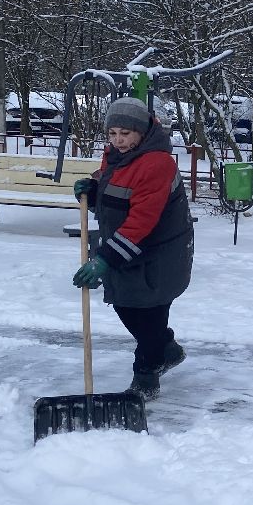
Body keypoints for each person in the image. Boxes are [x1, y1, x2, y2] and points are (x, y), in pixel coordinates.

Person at [70, 96, 192, 400]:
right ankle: (167, 349)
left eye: (125, 134)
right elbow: (118, 196)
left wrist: (105, 259)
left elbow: (142, 219)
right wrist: (94, 192)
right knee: (126, 305)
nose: (118, 140)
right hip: (130, 246)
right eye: (112, 133)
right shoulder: (115, 155)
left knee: (149, 312)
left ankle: (146, 376)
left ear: (141, 132)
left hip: (160, 252)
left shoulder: (157, 163)